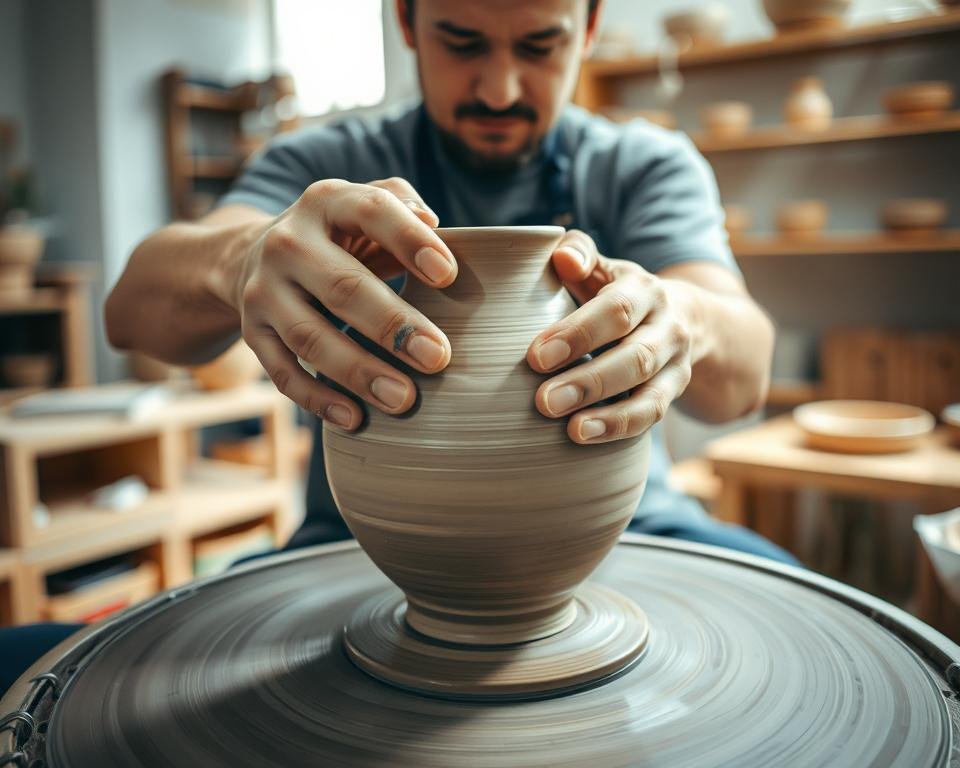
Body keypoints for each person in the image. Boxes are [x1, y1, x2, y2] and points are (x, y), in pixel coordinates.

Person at [1, 0, 796, 695]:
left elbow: (744, 381)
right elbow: (128, 315)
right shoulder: (327, 166)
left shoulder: (642, 166)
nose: (499, 89)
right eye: (461, 41)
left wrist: (687, 317)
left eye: (538, 46)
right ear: (406, 20)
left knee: (813, 632)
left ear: (587, 28)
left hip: (640, 534)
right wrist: (236, 258)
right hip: (351, 551)